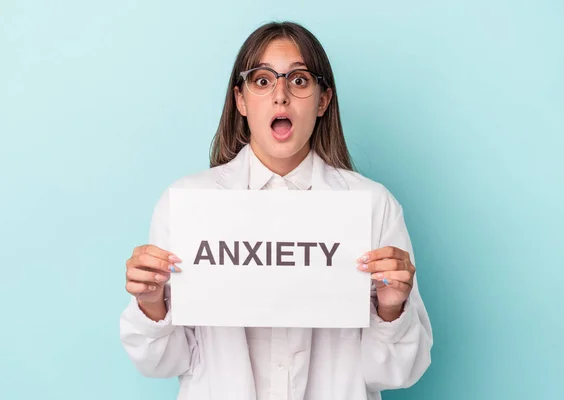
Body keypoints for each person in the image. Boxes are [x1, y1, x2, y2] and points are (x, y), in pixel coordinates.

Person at [120, 21, 433, 400]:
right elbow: (163, 363)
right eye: (263, 80)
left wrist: (391, 310)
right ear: (240, 99)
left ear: (322, 100)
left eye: (299, 80)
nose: (280, 96)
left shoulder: (372, 205)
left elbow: (397, 373)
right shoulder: (186, 203)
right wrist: (152, 304)